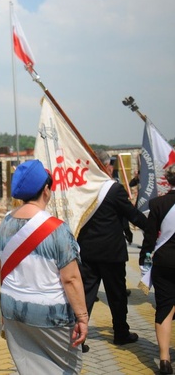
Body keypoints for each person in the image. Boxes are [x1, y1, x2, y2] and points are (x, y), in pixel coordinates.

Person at [0, 160, 87, 374]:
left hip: (12, 307)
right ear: (46, 190)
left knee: (28, 368)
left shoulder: (5, 223)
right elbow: (71, 279)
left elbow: (1, 267)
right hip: (50, 315)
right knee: (65, 368)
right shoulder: (58, 229)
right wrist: (82, 316)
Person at [77, 150, 148, 353]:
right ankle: (120, 333)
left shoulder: (84, 187)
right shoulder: (114, 189)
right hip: (111, 253)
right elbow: (132, 214)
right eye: (110, 165)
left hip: (88, 251)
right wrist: (154, 227)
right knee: (116, 295)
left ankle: (79, 337)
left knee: (86, 295)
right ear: (106, 166)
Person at [140, 164, 175, 374]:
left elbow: (149, 236)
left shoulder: (158, 204)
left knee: (164, 307)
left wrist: (145, 261)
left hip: (164, 262)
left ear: (168, 181)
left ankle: (164, 360)